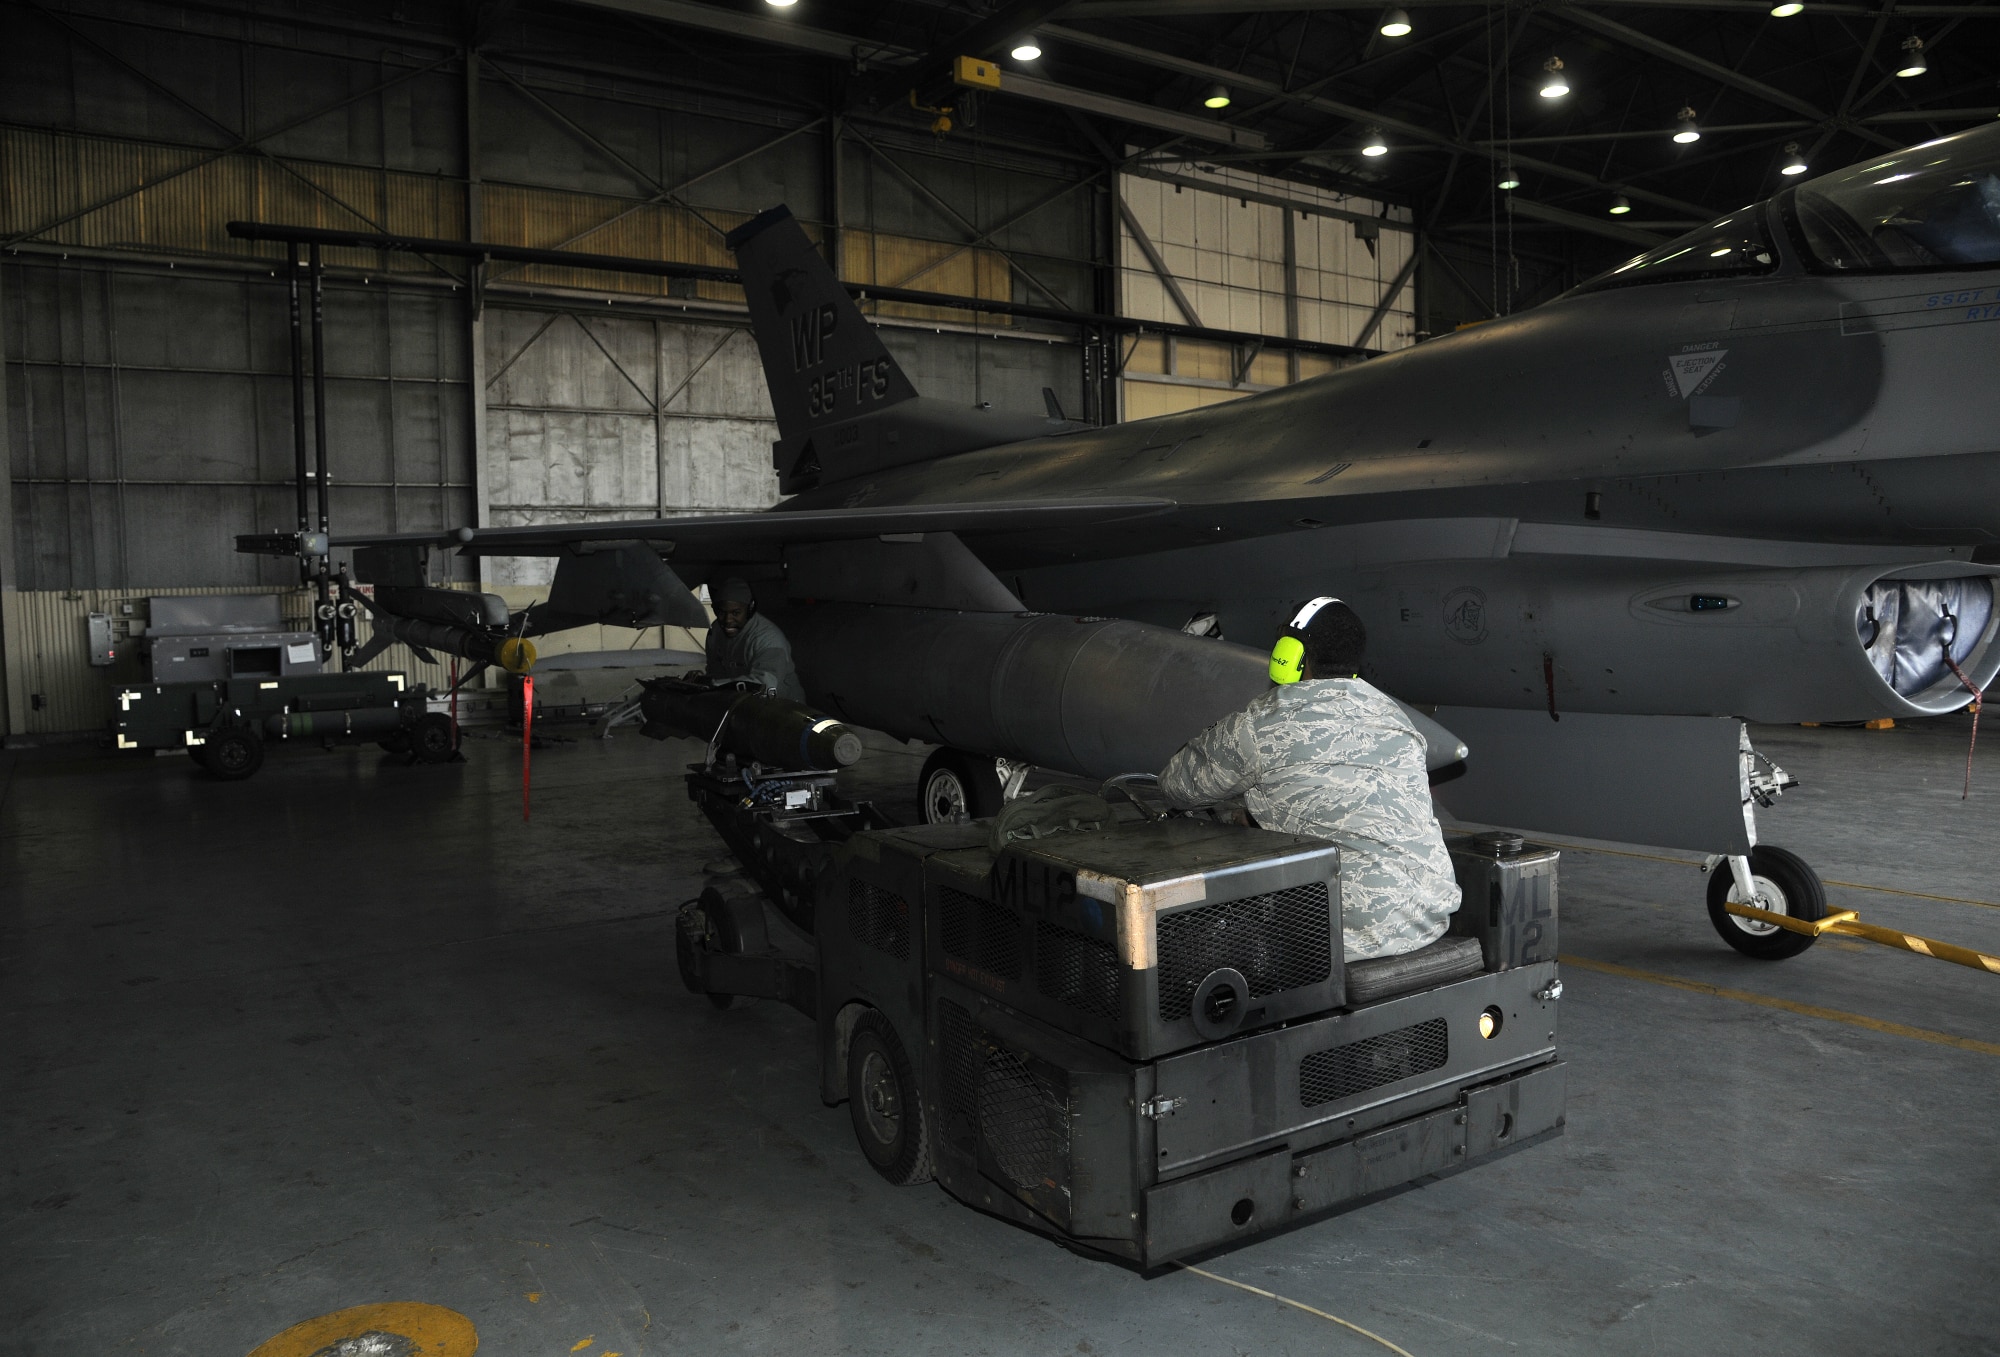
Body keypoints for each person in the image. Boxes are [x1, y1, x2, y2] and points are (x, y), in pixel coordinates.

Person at [1158, 597, 1461, 960]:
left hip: (1343, 936)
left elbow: (1178, 786)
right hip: (1427, 919)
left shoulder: (1267, 722)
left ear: (1289, 654)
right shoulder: (1395, 718)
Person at [701, 577, 804, 703]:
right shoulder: (716, 632)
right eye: (722, 612)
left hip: (784, 707)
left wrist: (713, 684)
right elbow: (714, 671)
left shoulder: (768, 639)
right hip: (741, 703)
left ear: (750, 609)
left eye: (736, 613)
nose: (728, 620)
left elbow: (764, 684)